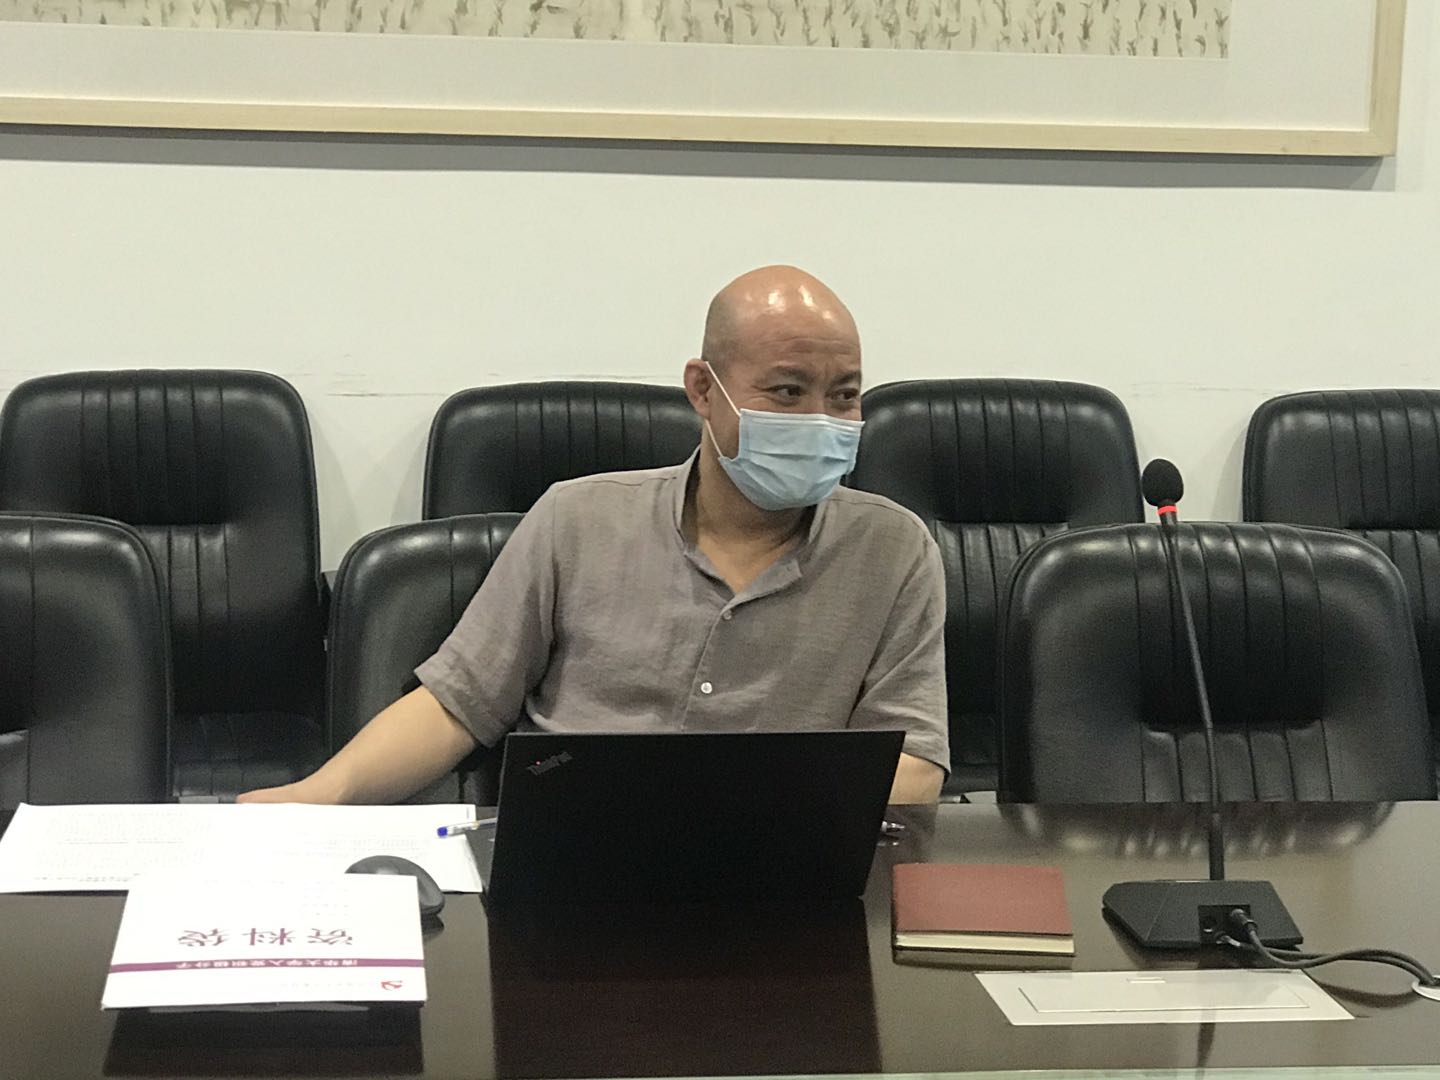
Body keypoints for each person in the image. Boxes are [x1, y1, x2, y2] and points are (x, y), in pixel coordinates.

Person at [240, 266, 948, 806]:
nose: (821, 419)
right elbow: (459, 704)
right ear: (704, 390)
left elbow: (914, 765)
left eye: (844, 395)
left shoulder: (894, 550)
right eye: (788, 392)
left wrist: (732, 811)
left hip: (785, 871)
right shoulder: (576, 520)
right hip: (571, 860)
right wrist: (316, 797)